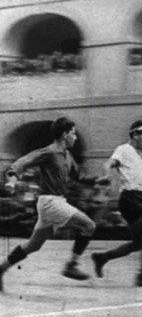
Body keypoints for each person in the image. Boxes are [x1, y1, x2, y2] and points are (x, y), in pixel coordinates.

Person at [0, 117, 97, 292]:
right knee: (89, 226)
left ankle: (1, 269)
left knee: (33, 245)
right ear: (64, 134)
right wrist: (12, 180)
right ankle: (71, 265)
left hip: (56, 202)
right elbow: (21, 162)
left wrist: (99, 180)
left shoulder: (68, 156)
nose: (75, 137)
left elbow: (79, 177)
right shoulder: (49, 152)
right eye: (73, 133)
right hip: (50, 202)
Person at [91, 120, 142, 287]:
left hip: (136, 199)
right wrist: (107, 174)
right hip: (130, 199)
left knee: (138, 243)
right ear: (135, 134)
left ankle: (102, 258)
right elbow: (110, 163)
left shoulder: (139, 156)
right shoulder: (124, 149)